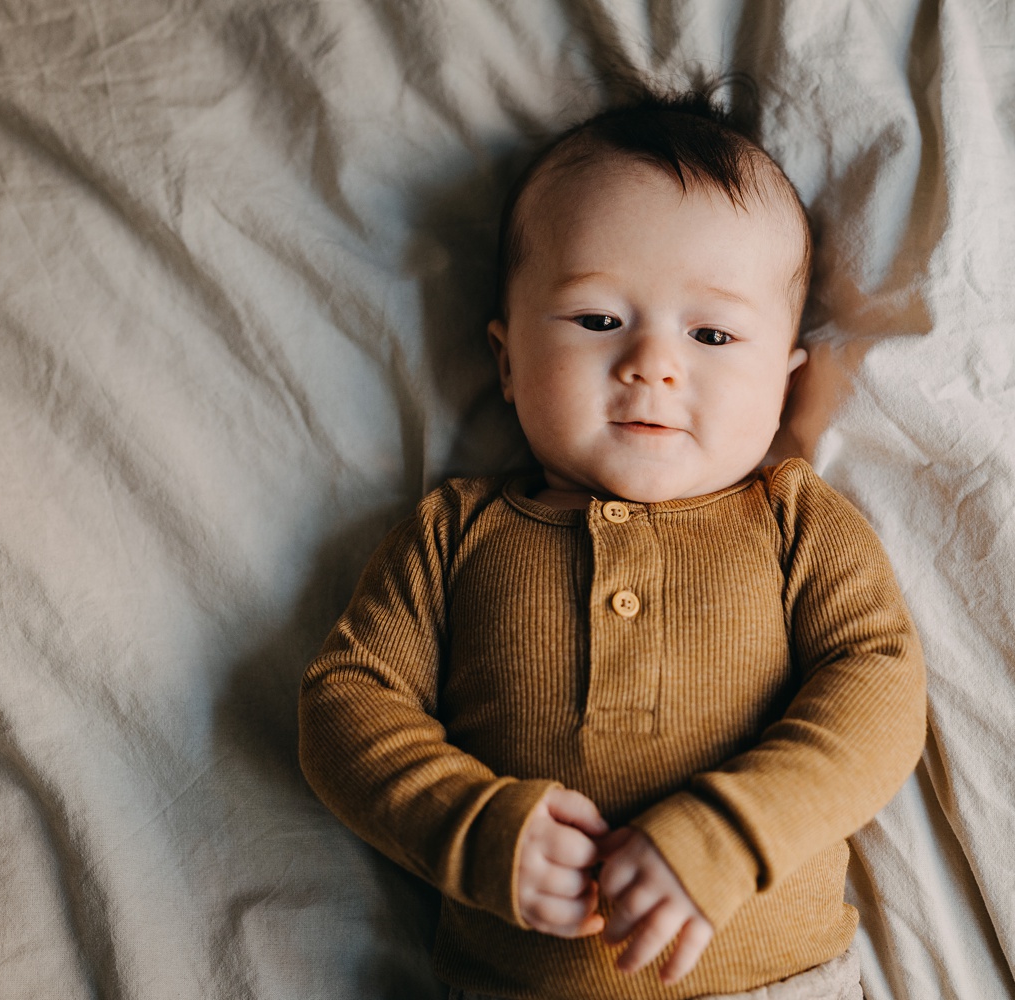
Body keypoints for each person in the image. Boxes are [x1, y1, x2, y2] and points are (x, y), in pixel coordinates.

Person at [298, 88, 926, 1000]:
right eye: (599, 320)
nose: (654, 363)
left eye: (712, 333)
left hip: (777, 983)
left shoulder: (795, 524)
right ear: (508, 362)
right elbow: (344, 707)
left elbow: (880, 692)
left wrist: (731, 832)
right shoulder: (453, 536)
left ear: (786, 388)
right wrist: (474, 828)